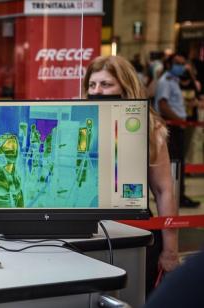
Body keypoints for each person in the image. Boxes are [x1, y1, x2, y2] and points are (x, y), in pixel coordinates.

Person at [83, 55, 180, 296]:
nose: (97, 91)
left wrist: (170, 251)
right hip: (86, 229)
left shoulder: (149, 127)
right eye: (92, 85)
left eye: (106, 84)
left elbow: (163, 190)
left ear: (125, 88)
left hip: (134, 231)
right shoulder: (83, 125)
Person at [155, 53, 200, 208]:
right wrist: (179, 120)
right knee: (175, 162)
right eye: (177, 63)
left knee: (179, 161)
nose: (181, 66)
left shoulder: (174, 81)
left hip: (177, 126)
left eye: (183, 63)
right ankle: (176, 197)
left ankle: (179, 195)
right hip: (172, 127)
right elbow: (163, 105)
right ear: (169, 64)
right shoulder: (166, 81)